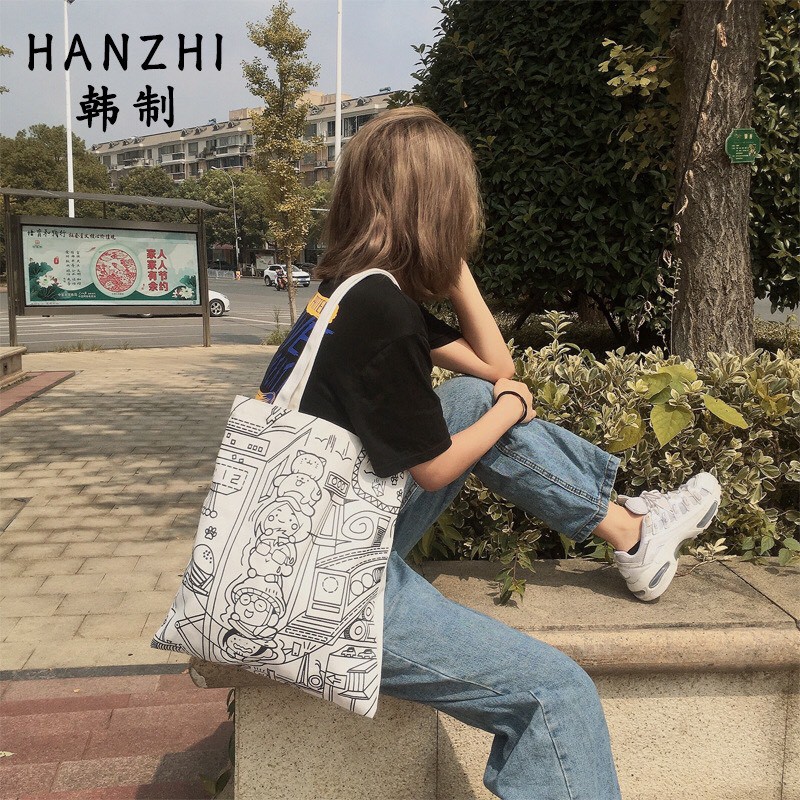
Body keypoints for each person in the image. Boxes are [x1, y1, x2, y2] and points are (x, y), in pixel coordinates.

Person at [256, 107, 720, 800]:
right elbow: (436, 467)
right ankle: (632, 532)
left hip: (311, 544)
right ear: (440, 208)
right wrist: (510, 407)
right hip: (329, 589)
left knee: (474, 399)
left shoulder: (352, 292)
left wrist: (452, 273)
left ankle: (630, 532)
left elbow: (495, 367)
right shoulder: (381, 312)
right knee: (556, 695)